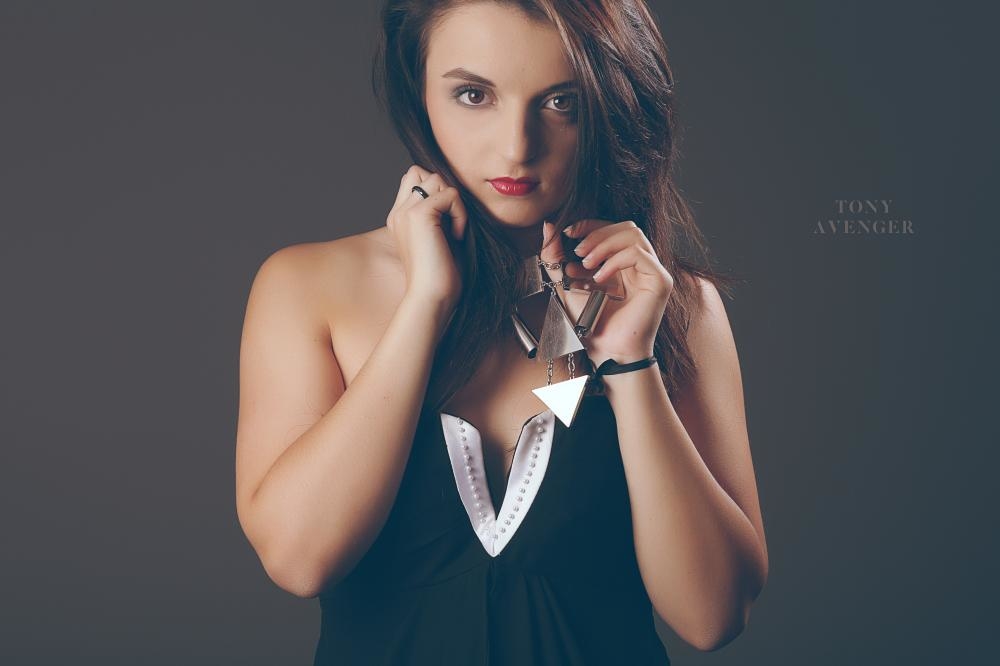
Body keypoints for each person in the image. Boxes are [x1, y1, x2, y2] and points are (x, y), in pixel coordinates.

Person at [235, 1, 769, 663]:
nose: (516, 146)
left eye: (562, 103)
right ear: (419, 89)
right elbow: (298, 560)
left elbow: (712, 616)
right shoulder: (310, 285)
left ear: (612, 104)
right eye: (473, 94)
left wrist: (632, 364)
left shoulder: (673, 306)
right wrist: (425, 305)